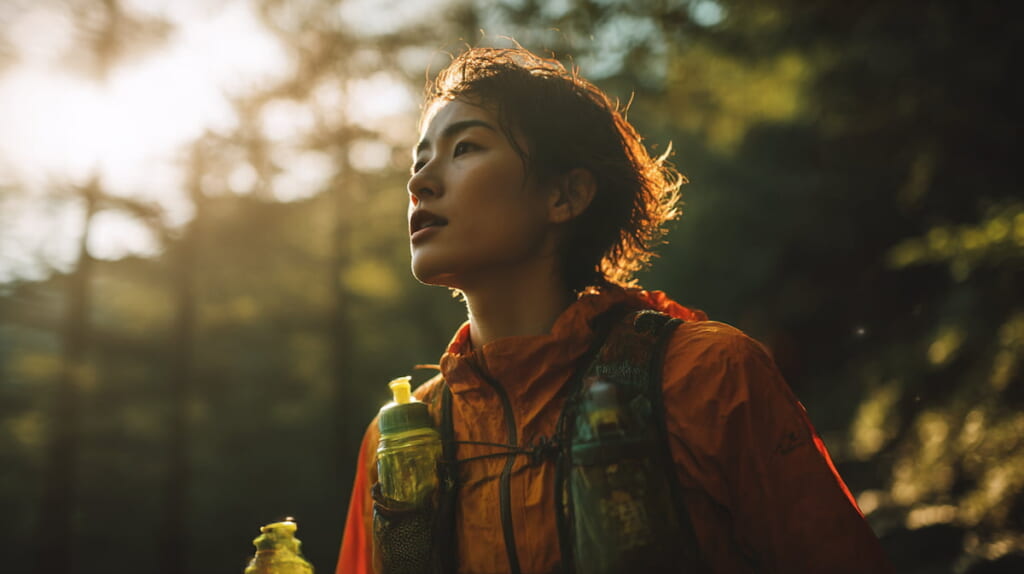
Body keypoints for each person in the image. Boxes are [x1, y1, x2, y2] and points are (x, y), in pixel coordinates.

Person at [335, 47, 893, 574]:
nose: (419, 181)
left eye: (465, 148)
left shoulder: (706, 376)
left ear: (566, 196)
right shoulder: (399, 444)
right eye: (420, 158)